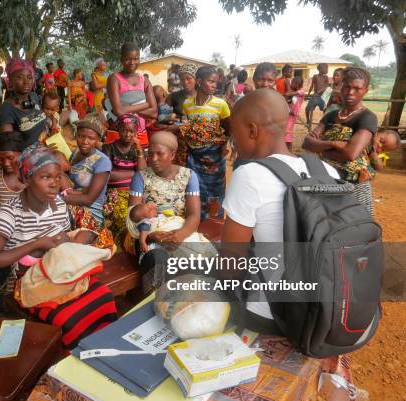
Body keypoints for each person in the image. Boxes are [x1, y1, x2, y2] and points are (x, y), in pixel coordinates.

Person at [222, 89, 340, 332]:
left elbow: (230, 266)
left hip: (273, 314)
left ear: (253, 131)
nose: (234, 142)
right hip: (327, 305)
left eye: (235, 134)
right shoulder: (327, 171)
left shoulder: (248, 176)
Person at [0, 144, 117, 349]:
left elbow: (61, 247)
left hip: (59, 274)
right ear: (26, 179)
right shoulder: (10, 214)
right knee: (69, 319)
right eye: (45, 177)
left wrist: (70, 241)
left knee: (105, 297)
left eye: (58, 177)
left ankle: (103, 351)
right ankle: (72, 362)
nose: (55, 184)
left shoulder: (60, 206)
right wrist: (37, 244)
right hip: (27, 284)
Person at [128, 131, 201, 293]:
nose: (153, 159)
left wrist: (179, 236)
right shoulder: (140, 177)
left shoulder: (188, 176)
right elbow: (133, 216)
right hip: (146, 234)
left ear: (173, 154)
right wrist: (152, 235)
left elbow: (194, 215)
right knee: (157, 259)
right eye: (150, 153)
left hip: (179, 232)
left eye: (160, 154)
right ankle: (156, 301)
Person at [302, 67, 378, 215]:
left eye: (357, 89)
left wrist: (321, 150)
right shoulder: (331, 116)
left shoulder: (367, 118)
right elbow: (307, 143)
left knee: (356, 226)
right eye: (347, 87)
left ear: (366, 91)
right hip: (327, 180)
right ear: (341, 86)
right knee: (327, 224)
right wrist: (334, 144)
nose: (350, 92)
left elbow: (350, 154)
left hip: (354, 185)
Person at [180, 67, 231, 220]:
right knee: (194, 189)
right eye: (211, 81)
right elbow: (185, 127)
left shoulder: (220, 104)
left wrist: (223, 146)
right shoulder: (187, 104)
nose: (214, 85)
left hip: (214, 158)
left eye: (216, 82)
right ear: (199, 81)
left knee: (215, 190)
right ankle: (196, 221)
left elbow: (228, 128)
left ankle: (215, 223)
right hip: (193, 156)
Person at [102, 114, 146, 245]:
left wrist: (139, 150)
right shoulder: (109, 148)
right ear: (118, 129)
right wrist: (134, 174)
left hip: (135, 192)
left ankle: (136, 245)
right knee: (123, 218)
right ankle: (122, 245)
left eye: (132, 131)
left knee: (143, 217)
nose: (128, 134)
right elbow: (108, 174)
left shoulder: (137, 150)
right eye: (124, 130)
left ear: (136, 131)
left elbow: (143, 172)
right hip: (115, 192)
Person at [63, 114, 112, 232]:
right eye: (81, 136)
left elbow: (89, 199)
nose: (85, 141)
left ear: (98, 140)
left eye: (91, 138)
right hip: (70, 202)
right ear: (76, 135)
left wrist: (56, 198)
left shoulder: (102, 161)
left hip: (90, 214)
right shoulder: (76, 153)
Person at [105, 42, 158, 145]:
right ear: (121, 60)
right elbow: (118, 111)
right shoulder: (114, 79)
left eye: (135, 59)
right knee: (115, 160)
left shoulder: (144, 81)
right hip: (118, 134)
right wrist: (146, 105)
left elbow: (154, 112)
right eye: (127, 59)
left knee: (141, 159)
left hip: (140, 134)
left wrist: (128, 108)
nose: (132, 62)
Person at [0, 58, 47, 148]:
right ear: (10, 81)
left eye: (29, 77)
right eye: (20, 77)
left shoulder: (34, 96)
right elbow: (9, 145)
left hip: (46, 144)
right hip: (26, 155)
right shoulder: (6, 110)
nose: (26, 82)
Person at [41, 91, 71, 157]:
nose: (48, 111)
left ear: (57, 109)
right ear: (42, 106)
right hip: (44, 139)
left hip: (53, 136)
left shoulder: (56, 115)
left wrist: (54, 122)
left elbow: (54, 129)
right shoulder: (41, 116)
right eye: (46, 108)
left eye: (52, 109)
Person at [306, 63, 330, 129]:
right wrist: (308, 94)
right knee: (307, 109)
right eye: (326, 68)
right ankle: (308, 120)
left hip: (323, 97)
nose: (327, 69)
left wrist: (321, 91)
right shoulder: (315, 76)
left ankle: (325, 122)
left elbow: (327, 86)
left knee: (326, 110)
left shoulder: (326, 77)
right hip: (315, 96)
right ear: (321, 69)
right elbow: (312, 85)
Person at [284, 76, 305, 152]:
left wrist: (288, 86)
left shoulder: (301, 92)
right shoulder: (292, 93)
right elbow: (287, 100)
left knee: (288, 131)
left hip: (293, 115)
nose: (293, 84)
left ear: (300, 85)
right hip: (288, 113)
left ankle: (289, 150)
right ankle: (286, 149)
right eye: (292, 82)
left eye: (296, 83)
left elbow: (288, 94)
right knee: (286, 130)